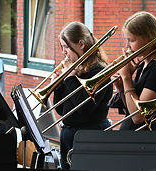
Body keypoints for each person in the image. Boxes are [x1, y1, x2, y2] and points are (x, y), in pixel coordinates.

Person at [109, 11, 156, 130]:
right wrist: (121, 88)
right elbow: (131, 110)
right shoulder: (143, 64)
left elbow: (138, 117)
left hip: (143, 140)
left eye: (131, 40)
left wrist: (126, 78)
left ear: (148, 38)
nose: (127, 46)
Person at [52, 21, 113, 169]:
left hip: (89, 136)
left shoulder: (98, 71)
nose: (64, 52)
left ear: (81, 44)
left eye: (66, 47)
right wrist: (58, 85)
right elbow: (62, 110)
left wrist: (70, 78)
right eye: (63, 47)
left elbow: (83, 107)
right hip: (69, 135)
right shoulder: (76, 70)